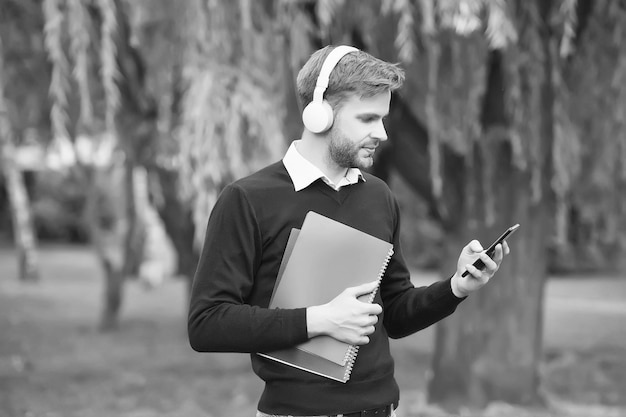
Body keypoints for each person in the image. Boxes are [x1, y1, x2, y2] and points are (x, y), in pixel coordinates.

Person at [187, 45, 510, 417]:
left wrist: (456, 287)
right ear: (320, 114)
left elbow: (395, 313)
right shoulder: (246, 200)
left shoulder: (378, 196)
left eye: (383, 119)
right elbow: (206, 324)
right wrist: (320, 320)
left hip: (381, 409)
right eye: (368, 119)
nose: (383, 133)